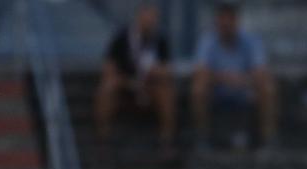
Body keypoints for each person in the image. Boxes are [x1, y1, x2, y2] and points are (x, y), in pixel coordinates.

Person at [191, 0, 277, 147]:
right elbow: (201, 72)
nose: (226, 23)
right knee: (198, 88)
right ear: (217, 21)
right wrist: (229, 78)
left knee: (268, 87)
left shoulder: (251, 41)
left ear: (237, 21)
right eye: (222, 19)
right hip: (217, 91)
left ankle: (268, 137)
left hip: (245, 91)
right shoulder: (207, 41)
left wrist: (235, 79)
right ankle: (202, 136)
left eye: (230, 19)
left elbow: (260, 72)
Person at [94, 2, 175, 147]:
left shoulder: (160, 40)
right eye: (147, 17)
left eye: (153, 18)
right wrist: (127, 81)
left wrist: (155, 71)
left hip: (149, 84)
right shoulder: (121, 38)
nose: (150, 21)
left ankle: (166, 137)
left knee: (166, 91)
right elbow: (109, 68)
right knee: (107, 87)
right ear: (139, 17)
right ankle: (103, 134)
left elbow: (167, 69)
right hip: (125, 83)